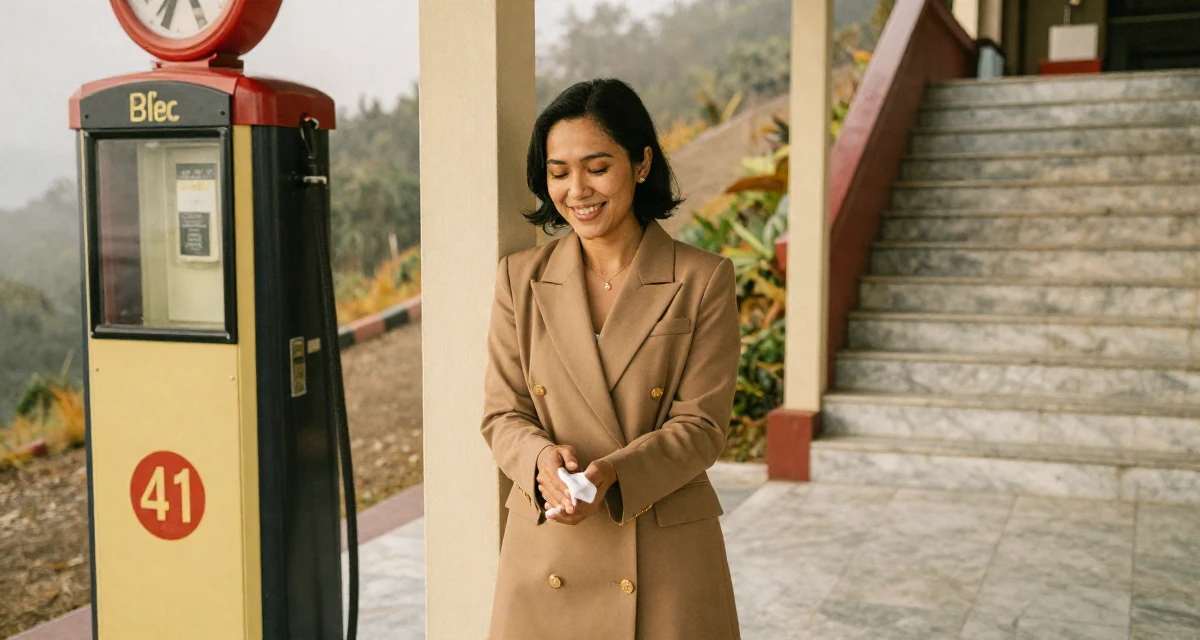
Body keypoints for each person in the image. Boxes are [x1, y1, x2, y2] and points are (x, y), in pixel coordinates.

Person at [480, 78, 742, 640]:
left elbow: (702, 427)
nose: (578, 190)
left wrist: (614, 474)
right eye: (558, 172)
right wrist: (542, 461)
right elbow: (502, 414)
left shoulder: (703, 279)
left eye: (597, 167)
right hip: (549, 549)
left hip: (662, 556)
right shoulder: (519, 279)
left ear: (641, 163)